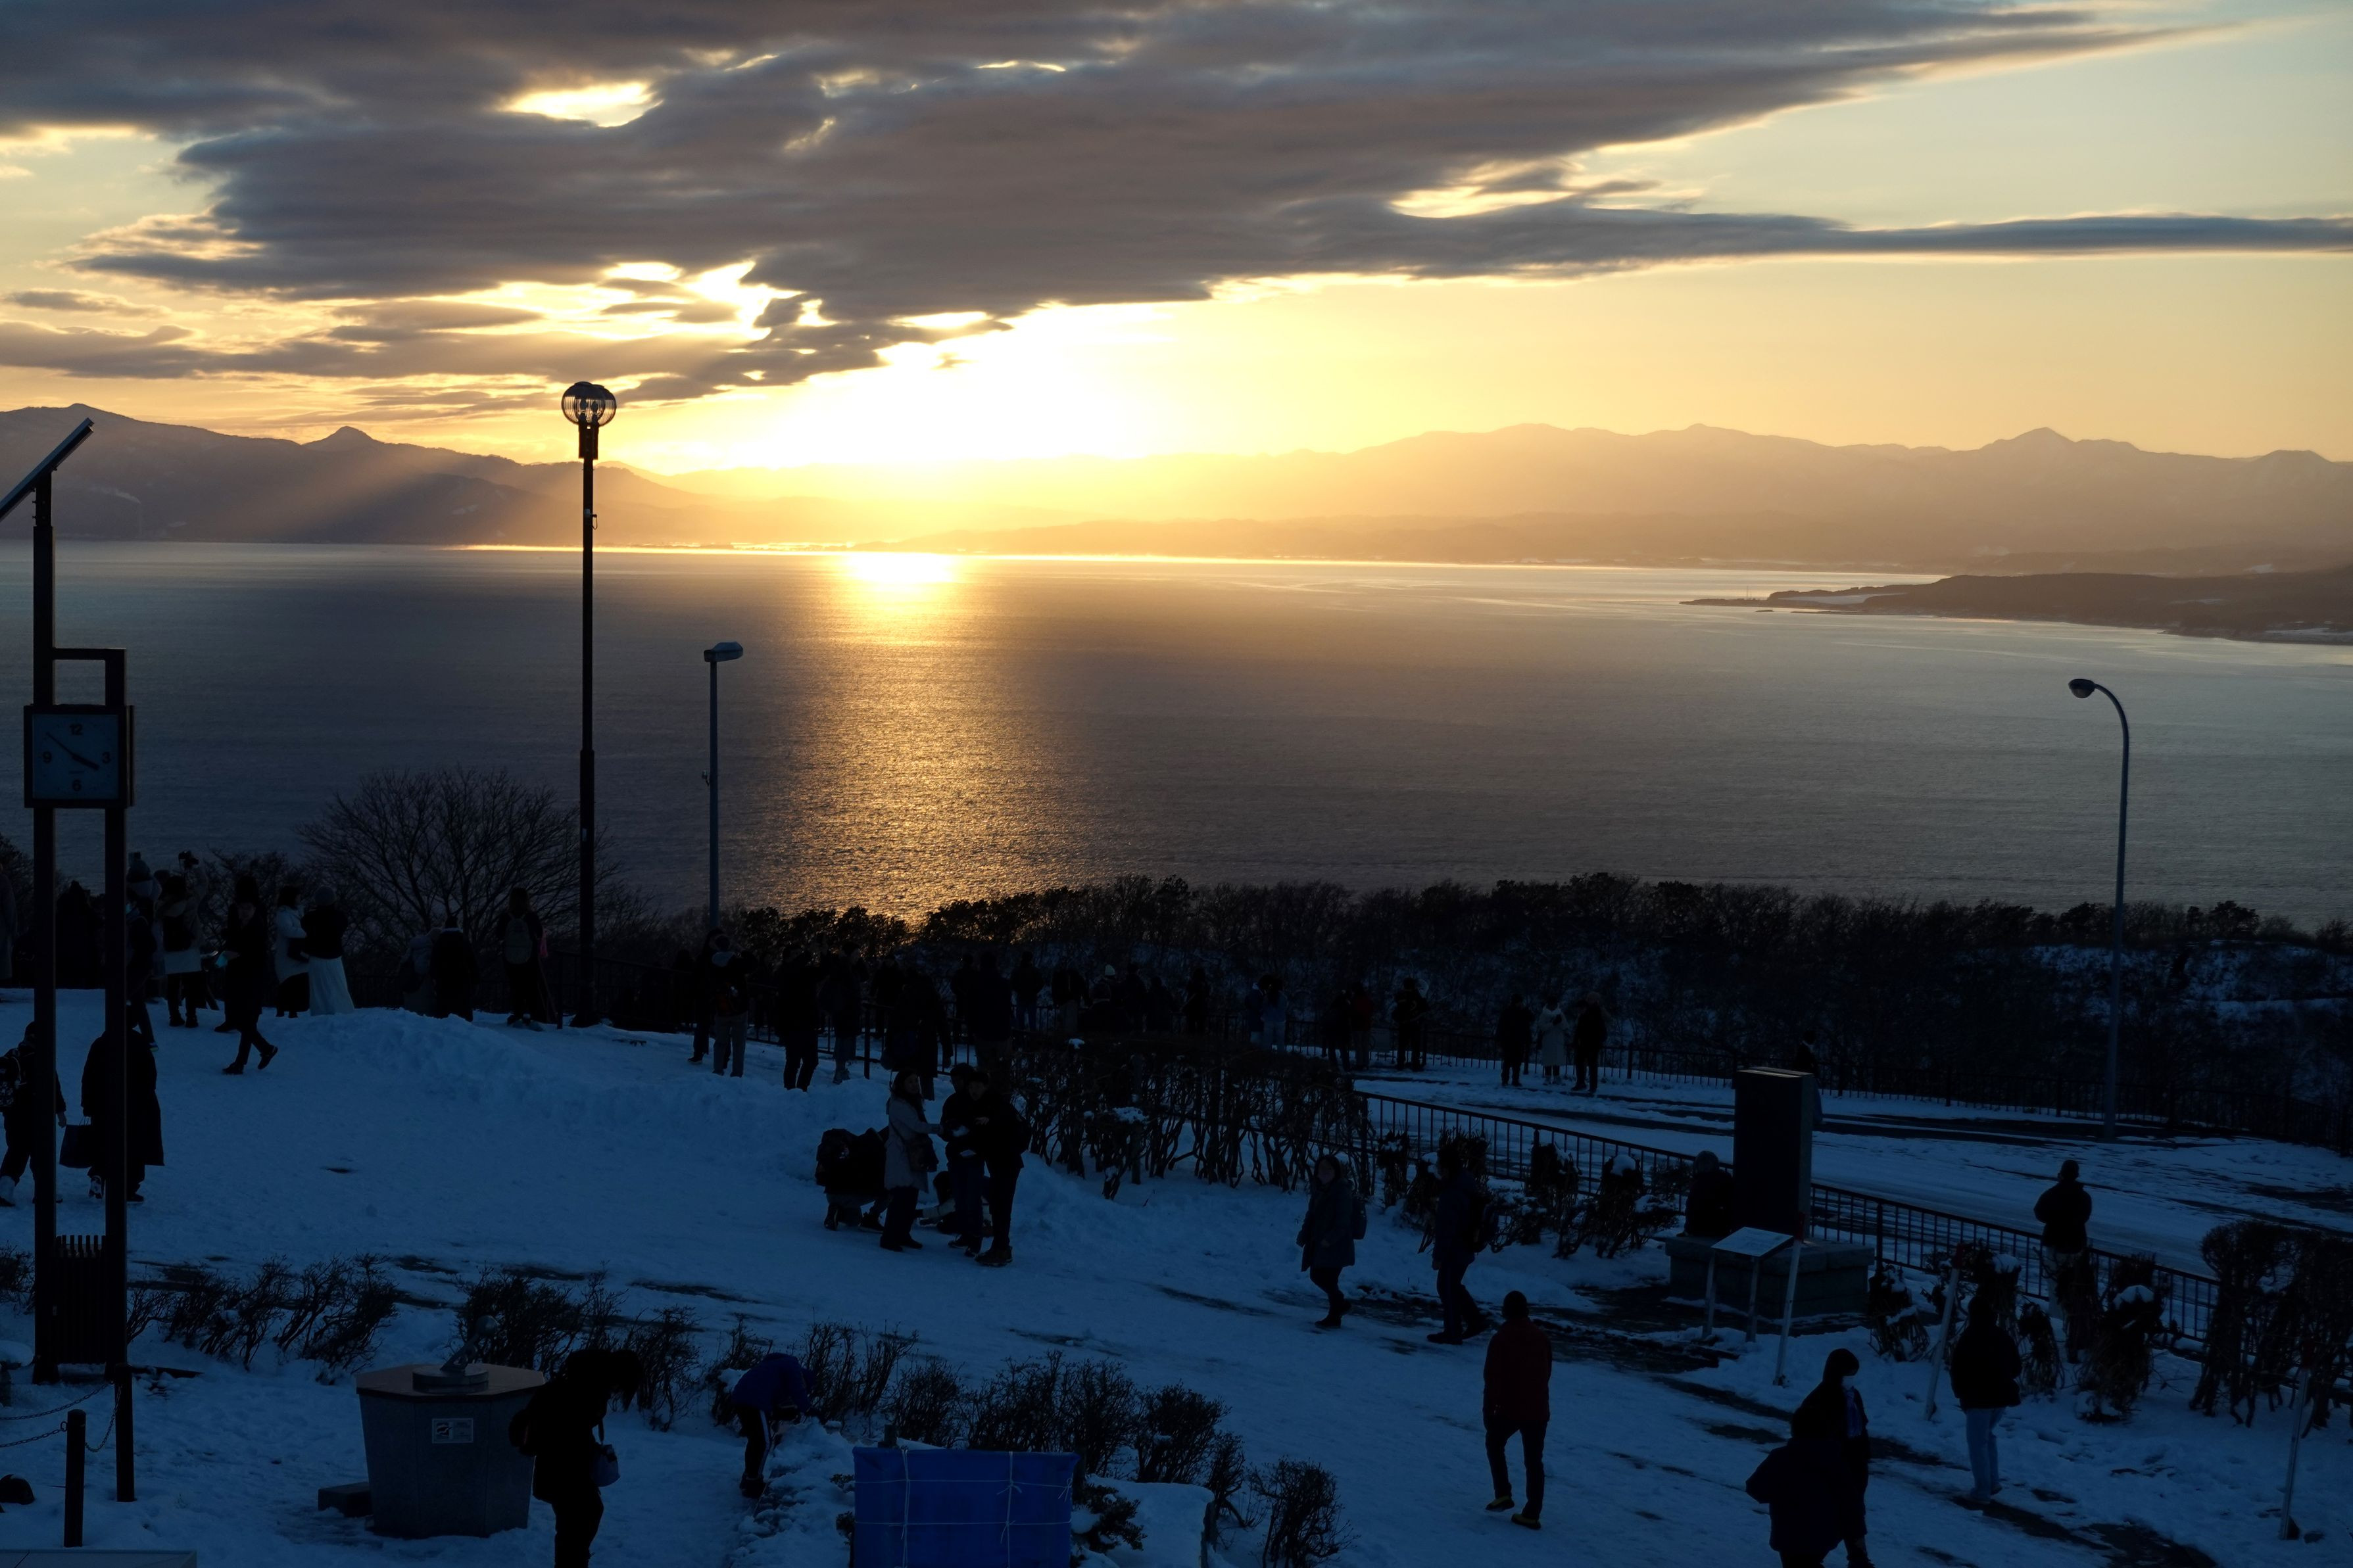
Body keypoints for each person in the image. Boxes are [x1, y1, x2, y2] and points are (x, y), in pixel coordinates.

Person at [510, 1346, 643, 1568]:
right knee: (579, 1523)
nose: (617, 1391)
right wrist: (586, 1451)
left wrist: (590, 1449)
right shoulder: (584, 1391)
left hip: (562, 1469)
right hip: (563, 1472)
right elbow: (565, 1432)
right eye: (620, 1385)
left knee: (578, 1523)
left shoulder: (579, 1383)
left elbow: (572, 1430)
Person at [1791, 1348, 1872, 1568]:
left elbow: (1861, 1427)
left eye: (1854, 1374)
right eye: (1848, 1374)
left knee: (1853, 1510)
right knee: (1837, 1513)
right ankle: (1817, 1558)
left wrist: (1865, 1453)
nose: (1851, 1379)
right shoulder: (1821, 1398)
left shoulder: (1853, 1396)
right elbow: (1810, 1433)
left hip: (1854, 1463)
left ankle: (1858, 1557)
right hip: (1833, 1463)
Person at [1481, 1291, 1549, 1530]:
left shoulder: (1501, 1338)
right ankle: (1532, 1513)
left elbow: (1492, 1379)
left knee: (1494, 1443)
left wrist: (1489, 1411)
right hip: (1538, 1408)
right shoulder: (1541, 1337)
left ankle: (1503, 1493)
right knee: (1534, 1461)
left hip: (1510, 1408)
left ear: (1505, 1311)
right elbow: (1547, 1372)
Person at [1950, 1298, 2022, 1501]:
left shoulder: (1969, 1338)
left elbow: (1958, 1369)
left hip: (1978, 1398)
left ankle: (1982, 1490)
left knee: (1977, 1443)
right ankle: (1993, 1481)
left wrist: (1961, 1393)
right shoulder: (2003, 1336)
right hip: (2001, 1397)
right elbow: (2016, 1367)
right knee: (1987, 1437)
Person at [82, 1026, 163, 1204]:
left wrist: (88, 1104)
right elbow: (150, 1076)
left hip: (103, 1104)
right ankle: (128, 1189)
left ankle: (99, 1173)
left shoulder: (101, 1043)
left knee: (105, 1142)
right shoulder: (139, 1044)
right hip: (135, 1106)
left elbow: (89, 1075)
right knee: (134, 1148)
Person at [1745, 1433, 1850, 1568]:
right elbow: (1852, 1500)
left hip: (1790, 1532)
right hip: (1826, 1533)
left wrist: (1781, 1494)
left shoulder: (1782, 1456)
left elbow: (1755, 1488)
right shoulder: (1840, 1460)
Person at [1428, 1143, 1489, 1344]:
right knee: (1452, 1286)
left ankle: (1453, 1331)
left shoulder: (1451, 1193)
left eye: (1439, 1165)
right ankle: (1475, 1321)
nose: (1437, 1169)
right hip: (1466, 1244)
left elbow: (1446, 1229)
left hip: (1455, 1249)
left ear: (1446, 1168)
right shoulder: (1465, 1182)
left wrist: (1438, 1257)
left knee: (1446, 1287)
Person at [727, 1352, 810, 1498]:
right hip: (753, 1400)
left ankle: (748, 1478)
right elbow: (798, 1390)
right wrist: (808, 1409)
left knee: (756, 1441)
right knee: (763, 1443)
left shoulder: (775, 1369)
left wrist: (782, 1412)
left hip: (742, 1397)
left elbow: (773, 1398)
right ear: (803, 1378)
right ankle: (753, 1483)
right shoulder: (792, 1365)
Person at [1296, 1154, 1365, 1327]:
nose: (1324, 1172)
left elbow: (1343, 1221)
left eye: (1329, 1169)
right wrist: (1304, 1234)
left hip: (1336, 1245)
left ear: (1336, 1171)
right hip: (1319, 1243)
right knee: (1320, 1276)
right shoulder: (1319, 1190)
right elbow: (1311, 1215)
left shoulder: (1342, 1192)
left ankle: (1338, 1310)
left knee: (1323, 1277)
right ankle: (1338, 1311)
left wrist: (1330, 1239)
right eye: (1321, 1169)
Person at [971, 1073, 1031, 1267]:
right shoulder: (990, 1104)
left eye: (978, 1086)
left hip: (1006, 1162)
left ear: (985, 1087)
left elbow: (1002, 1125)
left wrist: (990, 1122)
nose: (974, 1090)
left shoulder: (995, 1106)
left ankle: (1001, 1249)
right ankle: (1000, 1247)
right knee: (999, 1206)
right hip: (1002, 1162)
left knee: (1001, 1207)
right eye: (971, 1087)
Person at [218, 876, 278, 1072]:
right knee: (245, 1020)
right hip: (243, 974)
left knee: (245, 1020)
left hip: (250, 976)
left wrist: (229, 956)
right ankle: (263, 1050)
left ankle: (243, 1061)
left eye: (247, 908)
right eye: (241, 907)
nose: (244, 911)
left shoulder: (254, 925)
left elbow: (246, 949)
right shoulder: (252, 919)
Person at [0, 1025, 64, 1206]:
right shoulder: (43, 1058)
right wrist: (60, 1112)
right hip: (39, 1116)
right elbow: (54, 1088)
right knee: (41, 1154)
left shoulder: (12, 1055)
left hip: (13, 1115)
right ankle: (45, 1191)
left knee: (16, 1151)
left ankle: (5, 1189)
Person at [880, 1070, 936, 1252]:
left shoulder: (913, 1102)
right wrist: (940, 1129)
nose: (915, 1085)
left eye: (916, 1081)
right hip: (901, 1156)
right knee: (900, 1199)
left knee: (910, 1198)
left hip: (912, 1155)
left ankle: (903, 1234)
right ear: (901, 1085)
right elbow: (917, 1126)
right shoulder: (898, 1104)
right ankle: (889, 1237)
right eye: (910, 1081)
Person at [938, 1064, 988, 1258]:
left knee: (972, 1197)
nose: (955, 1085)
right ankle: (966, 1234)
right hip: (955, 1154)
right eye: (953, 1081)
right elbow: (944, 1129)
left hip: (974, 1155)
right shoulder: (952, 1102)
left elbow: (983, 1130)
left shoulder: (979, 1101)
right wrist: (948, 1130)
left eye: (958, 1081)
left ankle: (975, 1237)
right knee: (960, 1197)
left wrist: (968, 1136)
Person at [502, 888, 554, 1030]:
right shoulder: (531, 916)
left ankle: (518, 1014)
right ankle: (534, 1016)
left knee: (515, 986)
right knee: (531, 987)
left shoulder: (506, 917)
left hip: (510, 958)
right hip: (530, 957)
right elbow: (539, 933)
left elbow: (499, 934)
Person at [157, 872, 205, 1028]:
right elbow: (203, 885)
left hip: (170, 947)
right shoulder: (191, 901)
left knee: (173, 984)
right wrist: (197, 869)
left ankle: (174, 1016)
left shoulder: (161, 905)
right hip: (189, 947)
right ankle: (191, 1017)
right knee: (191, 985)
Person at [305, 888, 356, 1016]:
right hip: (334, 957)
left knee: (318, 988)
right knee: (338, 985)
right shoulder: (340, 917)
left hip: (316, 957)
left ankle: (320, 1012)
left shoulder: (309, 918)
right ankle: (343, 1010)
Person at [775, 954, 823, 1091]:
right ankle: (790, 1089)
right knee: (794, 1061)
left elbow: (823, 972)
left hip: (808, 1023)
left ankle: (801, 1088)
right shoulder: (785, 973)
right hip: (792, 1023)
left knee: (811, 1061)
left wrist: (825, 954)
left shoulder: (808, 973)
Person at [2035, 1159, 2093, 1262]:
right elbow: (2085, 1217)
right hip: (2076, 1243)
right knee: (2073, 1271)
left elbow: (2039, 1211)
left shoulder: (2052, 1194)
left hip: (2055, 1241)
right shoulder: (2084, 1197)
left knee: (2054, 1270)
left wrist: (2054, 1221)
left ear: (2061, 1174)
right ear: (2076, 1175)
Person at [708, 940, 751, 1078]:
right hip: (739, 1009)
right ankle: (737, 1073)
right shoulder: (736, 963)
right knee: (739, 1044)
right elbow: (753, 964)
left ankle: (718, 1070)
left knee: (720, 1042)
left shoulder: (712, 963)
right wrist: (743, 951)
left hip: (721, 1008)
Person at [272, 883, 310, 1018]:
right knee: (288, 983)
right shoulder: (283, 913)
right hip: (288, 954)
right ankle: (284, 1010)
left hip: (296, 954)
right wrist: (306, 934)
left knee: (296, 983)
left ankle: (293, 1010)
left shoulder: (297, 912)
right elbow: (287, 930)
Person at [430, 913, 478, 1022]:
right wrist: (476, 979)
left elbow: (434, 962)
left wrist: (434, 977)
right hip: (462, 979)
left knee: (444, 1007)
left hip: (444, 979)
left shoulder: (440, 942)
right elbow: (472, 961)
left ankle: (443, 1024)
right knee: (463, 1007)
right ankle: (465, 1025)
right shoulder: (464, 940)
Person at [1686, 1149, 1736, 1239]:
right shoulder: (1725, 1179)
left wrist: (1688, 1229)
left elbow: (1692, 1209)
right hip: (1722, 1228)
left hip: (1703, 1228)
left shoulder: (1700, 1184)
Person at [1571, 991, 1608, 1093]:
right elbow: (1579, 1029)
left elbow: (1600, 1028)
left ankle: (1590, 1086)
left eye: (1590, 999)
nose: (1588, 1000)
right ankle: (1582, 1083)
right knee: (1582, 1062)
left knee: (1591, 1064)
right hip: (1586, 1042)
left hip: (1592, 1043)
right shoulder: (1586, 1013)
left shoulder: (1597, 1012)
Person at [1493, 996, 1532, 1087]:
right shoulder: (1509, 1012)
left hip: (1516, 1040)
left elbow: (1531, 1018)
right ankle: (1507, 1079)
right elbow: (1501, 1025)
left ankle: (1513, 1080)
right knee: (1509, 1061)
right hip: (1510, 1040)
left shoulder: (1519, 1012)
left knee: (1516, 1062)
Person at [1392, 977, 1428, 1070]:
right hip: (1415, 1023)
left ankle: (1400, 1063)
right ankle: (1415, 1064)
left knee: (1402, 1045)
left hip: (1403, 1023)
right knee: (1415, 1045)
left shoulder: (1400, 995)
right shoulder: (1418, 994)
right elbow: (1425, 1006)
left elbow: (1397, 1008)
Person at [1532, 997, 1568, 1085]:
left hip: (1558, 1039)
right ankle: (1548, 1077)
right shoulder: (1544, 1014)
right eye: (1551, 1005)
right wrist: (1552, 1024)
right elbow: (1542, 1027)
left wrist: (1560, 1022)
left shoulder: (1560, 1014)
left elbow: (1565, 1026)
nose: (1553, 1006)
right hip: (1547, 1039)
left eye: (1554, 1005)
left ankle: (1557, 1077)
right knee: (1548, 1059)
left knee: (1557, 1059)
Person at [1010, 951, 1043, 1032]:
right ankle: (1032, 1037)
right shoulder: (1035, 971)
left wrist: (1019, 990)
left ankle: (1021, 1037)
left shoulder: (1017, 970)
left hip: (1022, 997)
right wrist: (1034, 991)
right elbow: (1041, 983)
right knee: (1032, 1021)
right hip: (1031, 998)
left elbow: (1012, 983)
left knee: (1020, 1020)